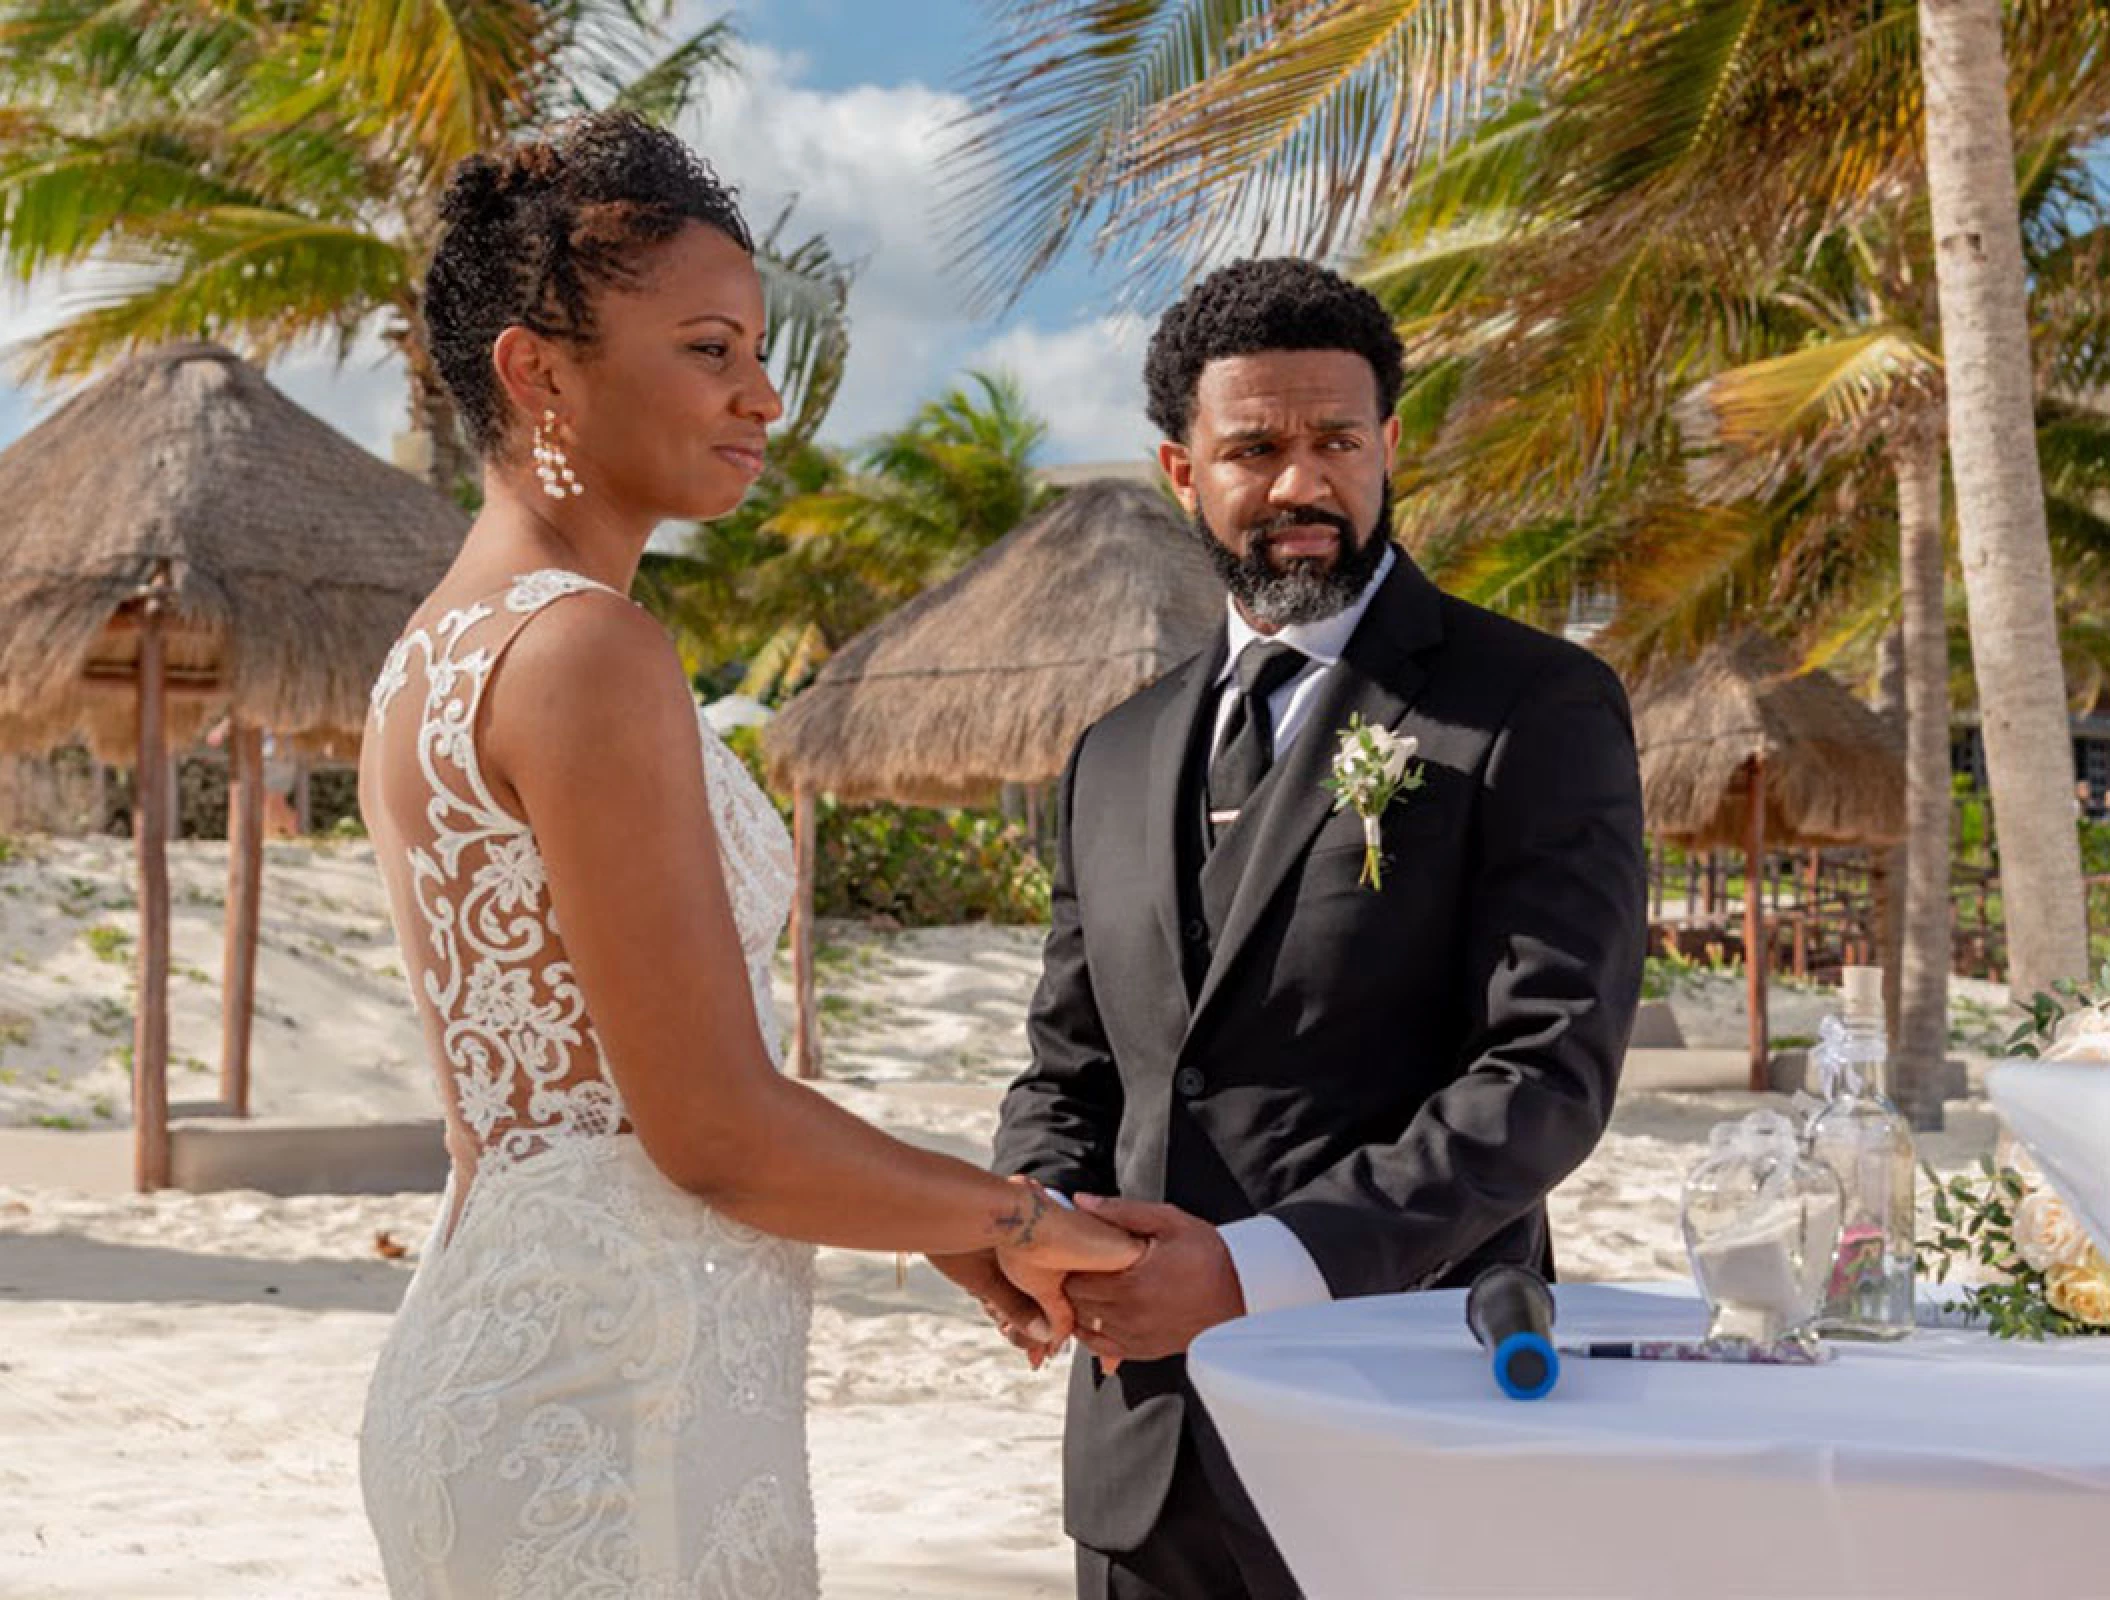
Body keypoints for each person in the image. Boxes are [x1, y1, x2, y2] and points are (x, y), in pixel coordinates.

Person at [354, 111, 1140, 1599]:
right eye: (710, 349)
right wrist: (1022, 1220)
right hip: (609, 1411)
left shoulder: (432, 652)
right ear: (538, 373)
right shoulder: (587, 650)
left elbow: (561, 1102)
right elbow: (709, 1131)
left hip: (524, 1361)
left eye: (758, 351)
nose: (764, 396)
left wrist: (925, 1222)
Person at [938, 257, 1648, 1599]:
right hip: (1138, 1443)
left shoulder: (1530, 706)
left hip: (1399, 1417)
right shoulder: (1115, 752)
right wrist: (1036, 1229)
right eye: (1253, 448)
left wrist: (1259, 1269)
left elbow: (1546, 1073)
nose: (1299, 485)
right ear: (1178, 468)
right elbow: (1072, 1061)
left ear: (1387, 445)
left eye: (1334, 441)